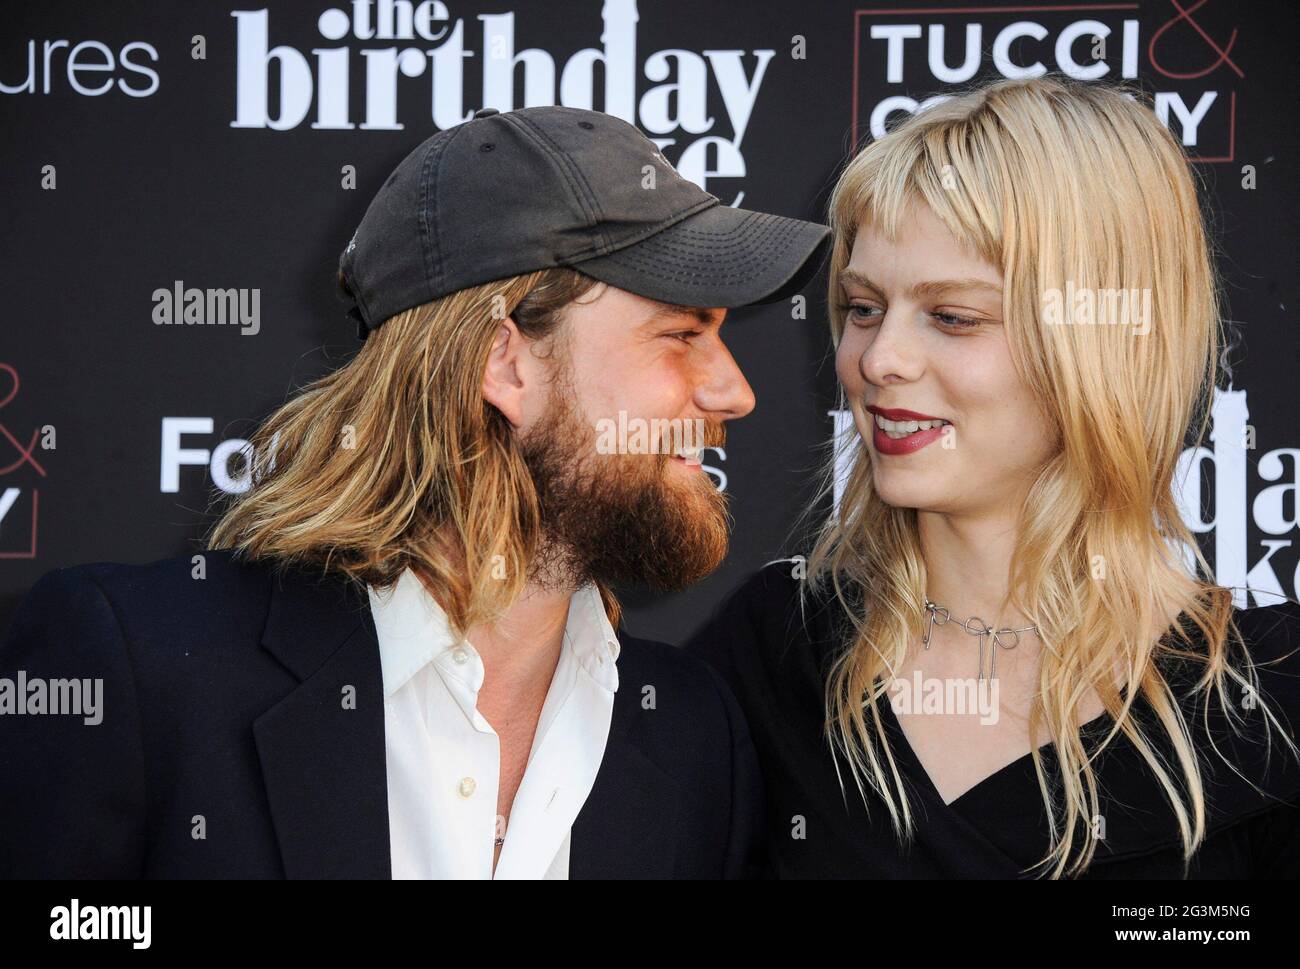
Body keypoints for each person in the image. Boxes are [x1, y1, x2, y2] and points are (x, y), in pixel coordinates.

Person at [0, 105, 829, 879]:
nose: (733, 391)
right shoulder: (139, 672)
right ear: (505, 363)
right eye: (682, 335)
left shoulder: (693, 743)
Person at [688, 75, 1300, 878]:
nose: (878, 359)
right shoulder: (775, 655)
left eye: (953, 317)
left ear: (1101, 341)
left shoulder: (1267, 699)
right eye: (864, 306)